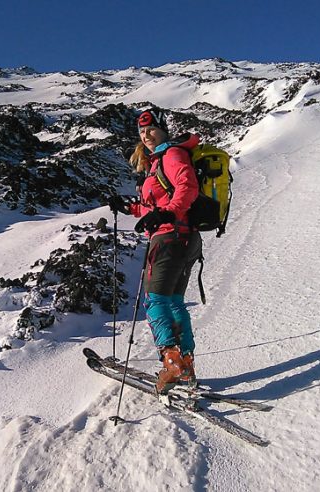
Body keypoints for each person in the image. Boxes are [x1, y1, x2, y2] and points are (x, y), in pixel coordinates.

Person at [109, 108, 203, 393]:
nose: (145, 135)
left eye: (150, 129)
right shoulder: (157, 162)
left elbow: (188, 187)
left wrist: (169, 215)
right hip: (183, 238)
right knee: (174, 301)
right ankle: (185, 362)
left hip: (170, 238)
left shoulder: (172, 155)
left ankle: (172, 363)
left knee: (155, 301)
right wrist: (131, 207)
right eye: (141, 130)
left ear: (162, 129)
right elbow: (157, 204)